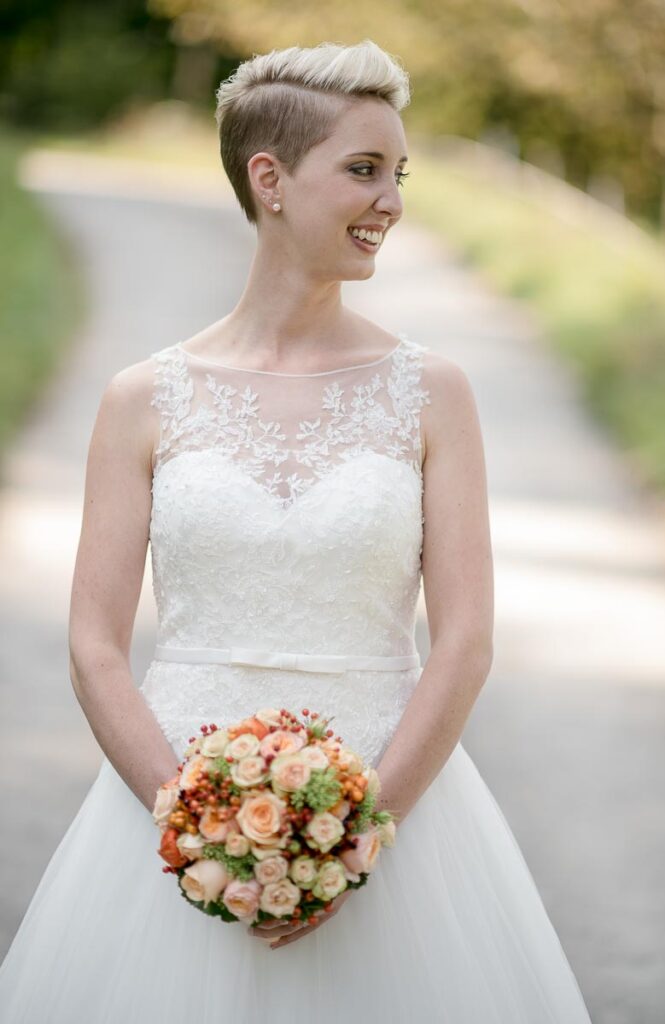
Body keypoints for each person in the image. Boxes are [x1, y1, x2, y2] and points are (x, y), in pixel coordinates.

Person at [0, 39, 593, 1022]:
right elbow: (94, 647)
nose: (390, 202)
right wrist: (193, 823)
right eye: (362, 170)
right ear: (268, 180)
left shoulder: (432, 394)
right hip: (172, 802)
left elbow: (463, 643)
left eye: (397, 174)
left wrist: (357, 836)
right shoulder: (142, 399)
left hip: (390, 808)